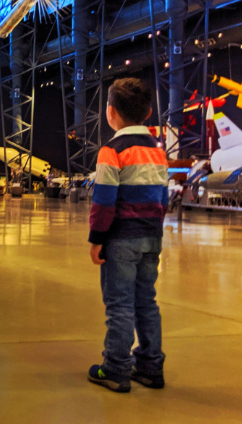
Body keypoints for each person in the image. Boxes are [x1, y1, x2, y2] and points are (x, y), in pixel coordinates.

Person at [87, 78, 168, 393]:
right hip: (152, 238)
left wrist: (97, 239)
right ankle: (150, 367)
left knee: (119, 304)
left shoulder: (112, 149)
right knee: (146, 301)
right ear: (148, 112)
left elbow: (104, 201)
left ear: (110, 113)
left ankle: (116, 369)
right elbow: (163, 199)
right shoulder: (157, 151)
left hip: (121, 238)